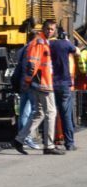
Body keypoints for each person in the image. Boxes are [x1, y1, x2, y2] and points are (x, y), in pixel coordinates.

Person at [10, 19, 65, 155]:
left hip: (39, 83)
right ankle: (49, 146)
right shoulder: (40, 42)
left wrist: (28, 82)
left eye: (52, 29)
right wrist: (27, 81)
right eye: (48, 28)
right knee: (51, 112)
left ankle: (19, 140)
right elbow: (32, 65)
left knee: (39, 113)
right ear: (43, 29)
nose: (50, 31)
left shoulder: (43, 42)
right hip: (43, 84)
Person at [49, 26, 79, 150]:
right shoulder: (65, 44)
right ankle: (69, 143)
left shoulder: (47, 44)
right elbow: (77, 51)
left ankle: (50, 142)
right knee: (66, 115)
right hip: (64, 84)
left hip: (49, 84)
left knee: (50, 114)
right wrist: (66, 41)